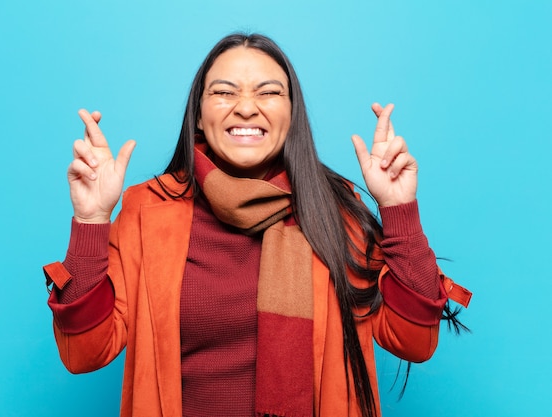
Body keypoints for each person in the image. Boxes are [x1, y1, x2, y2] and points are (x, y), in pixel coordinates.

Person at [43, 33, 471, 417]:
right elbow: (85, 353)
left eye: (268, 92)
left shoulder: (335, 210)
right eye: (224, 92)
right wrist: (91, 219)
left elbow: (413, 341)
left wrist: (399, 209)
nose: (246, 107)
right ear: (197, 114)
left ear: (291, 114)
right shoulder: (147, 209)